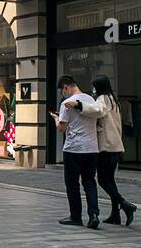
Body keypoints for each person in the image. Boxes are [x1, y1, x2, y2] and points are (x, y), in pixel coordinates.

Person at [83, 76, 136, 226]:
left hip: (105, 147)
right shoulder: (113, 100)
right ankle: (115, 214)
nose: (93, 90)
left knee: (102, 180)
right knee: (110, 180)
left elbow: (96, 111)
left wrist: (80, 105)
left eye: (94, 87)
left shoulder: (103, 99)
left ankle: (125, 205)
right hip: (115, 147)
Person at [51, 75, 100, 230]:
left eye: (62, 91)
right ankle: (94, 215)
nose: (62, 94)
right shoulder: (91, 100)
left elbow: (62, 128)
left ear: (66, 87)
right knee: (90, 183)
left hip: (74, 149)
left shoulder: (66, 103)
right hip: (92, 148)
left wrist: (56, 119)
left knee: (72, 184)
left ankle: (76, 216)